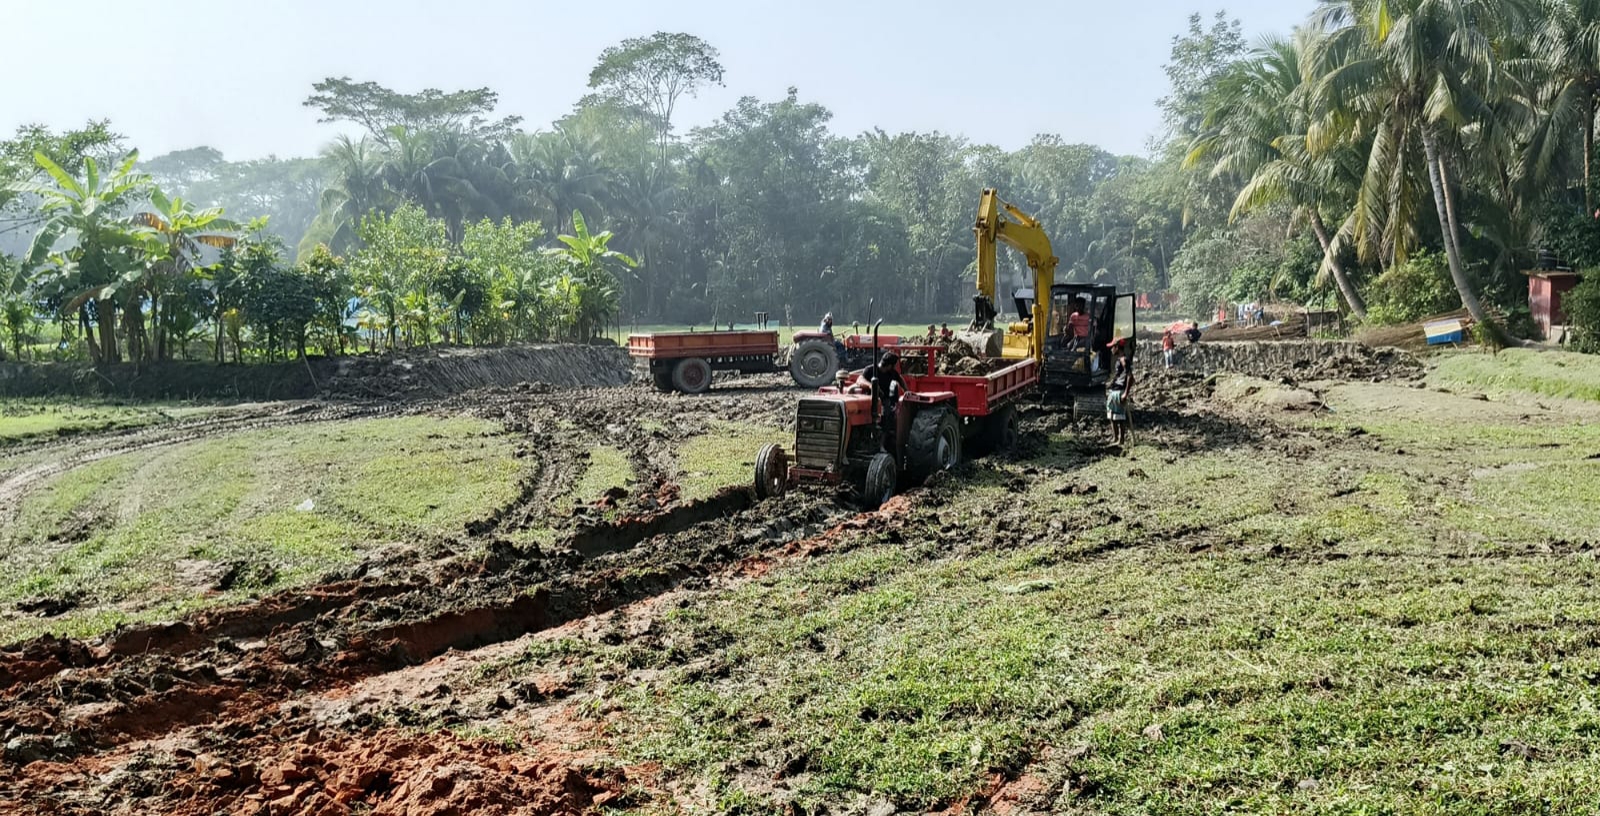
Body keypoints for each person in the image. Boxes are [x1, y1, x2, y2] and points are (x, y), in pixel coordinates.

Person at [861, 351, 908, 450]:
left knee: (887, 418)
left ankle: (881, 445)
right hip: (870, 399)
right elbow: (859, 380)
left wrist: (906, 391)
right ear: (890, 365)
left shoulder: (891, 373)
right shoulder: (871, 370)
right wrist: (871, 385)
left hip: (884, 401)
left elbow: (900, 379)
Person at [1106, 338, 1134, 447]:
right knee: (1111, 415)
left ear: (1117, 347)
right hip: (1114, 390)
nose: (1111, 349)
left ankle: (1121, 439)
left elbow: (1130, 377)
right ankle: (1115, 437)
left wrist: (1125, 393)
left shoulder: (1124, 360)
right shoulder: (1119, 360)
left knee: (1119, 417)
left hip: (1119, 391)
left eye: (1113, 347)